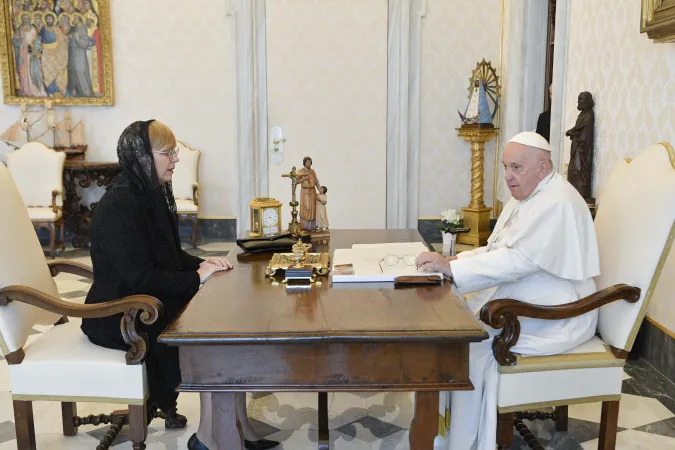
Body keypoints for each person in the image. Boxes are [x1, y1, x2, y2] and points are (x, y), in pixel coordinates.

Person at [415, 131, 600, 450]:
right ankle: (450, 433)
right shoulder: (530, 195)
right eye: (505, 167)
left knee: (471, 341)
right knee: (458, 325)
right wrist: (454, 259)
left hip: (561, 311)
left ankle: (468, 442)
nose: (508, 177)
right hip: (536, 294)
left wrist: (453, 269)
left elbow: (519, 260)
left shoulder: (556, 202)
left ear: (542, 169)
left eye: (516, 168)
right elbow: (497, 248)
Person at [81, 120, 233, 429]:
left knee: (217, 315)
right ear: (141, 156)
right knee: (205, 330)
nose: (176, 159)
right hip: (118, 313)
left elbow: (170, 256)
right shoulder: (120, 205)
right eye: (168, 152)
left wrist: (204, 265)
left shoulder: (148, 192)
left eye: (174, 151)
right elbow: (141, 278)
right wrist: (194, 278)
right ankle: (212, 433)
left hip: (142, 301)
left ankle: (230, 425)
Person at [66, 13, 93, 97]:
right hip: (72, 51)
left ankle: (85, 91)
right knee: (72, 70)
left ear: (80, 19)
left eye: (75, 18)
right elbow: (67, 37)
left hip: (79, 52)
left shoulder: (83, 28)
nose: (73, 20)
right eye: (73, 18)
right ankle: (74, 90)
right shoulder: (73, 28)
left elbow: (85, 43)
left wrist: (77, 38)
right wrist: (68, 38)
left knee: (80, 70)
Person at [296, 156, 322, 231]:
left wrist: (319, 189)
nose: (309, 163)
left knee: (313, 208)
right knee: (306, 208)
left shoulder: (312, 171)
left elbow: (316, 181)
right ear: (304, 162)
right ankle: (305, 226)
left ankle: (312, 226)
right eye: (307, 162)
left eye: (310, 162)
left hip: (312, 191)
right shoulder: (301, 171)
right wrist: (304, 178)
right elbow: (296, 181)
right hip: (305, 192)